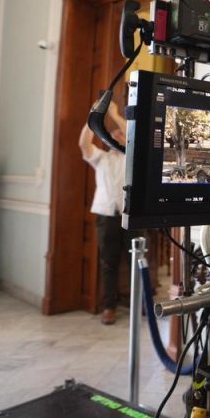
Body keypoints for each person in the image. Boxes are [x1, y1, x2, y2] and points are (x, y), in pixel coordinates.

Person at [79, 101, 128, 325]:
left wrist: (115, 114)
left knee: (137, 261)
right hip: (106, 217)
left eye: (120, 134)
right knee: (109, 263)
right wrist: (94, 115)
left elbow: (132, 134)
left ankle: (139, 301)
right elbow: (84, 144)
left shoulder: (131, 159)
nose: (116, 136)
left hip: (130, 217)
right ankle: (109, 306)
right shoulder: (101, 158)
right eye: (113, 135)